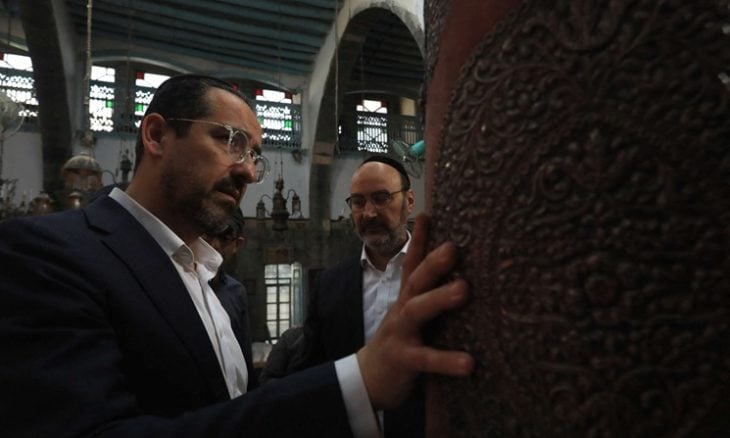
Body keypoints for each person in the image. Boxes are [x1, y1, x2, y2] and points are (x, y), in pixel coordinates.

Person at [0, 74, 473, 438]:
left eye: (254, 156)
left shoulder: (219, 287)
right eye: (231, 142)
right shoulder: (49, 255)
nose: (247, 171)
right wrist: (356, 383)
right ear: (157, 135)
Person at [302, 155, 424, 436]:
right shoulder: (330, 284)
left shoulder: (434, 272)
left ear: (409, 201)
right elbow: (313, 367)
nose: (368, 213)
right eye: (358, 202)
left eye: (381, 198)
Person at [204, 207, 257, 390]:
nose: (215, 245)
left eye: (224, 238)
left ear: (237, 244)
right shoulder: (180, 283)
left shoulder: (235, 292)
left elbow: (243, 352)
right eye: (209, 235)